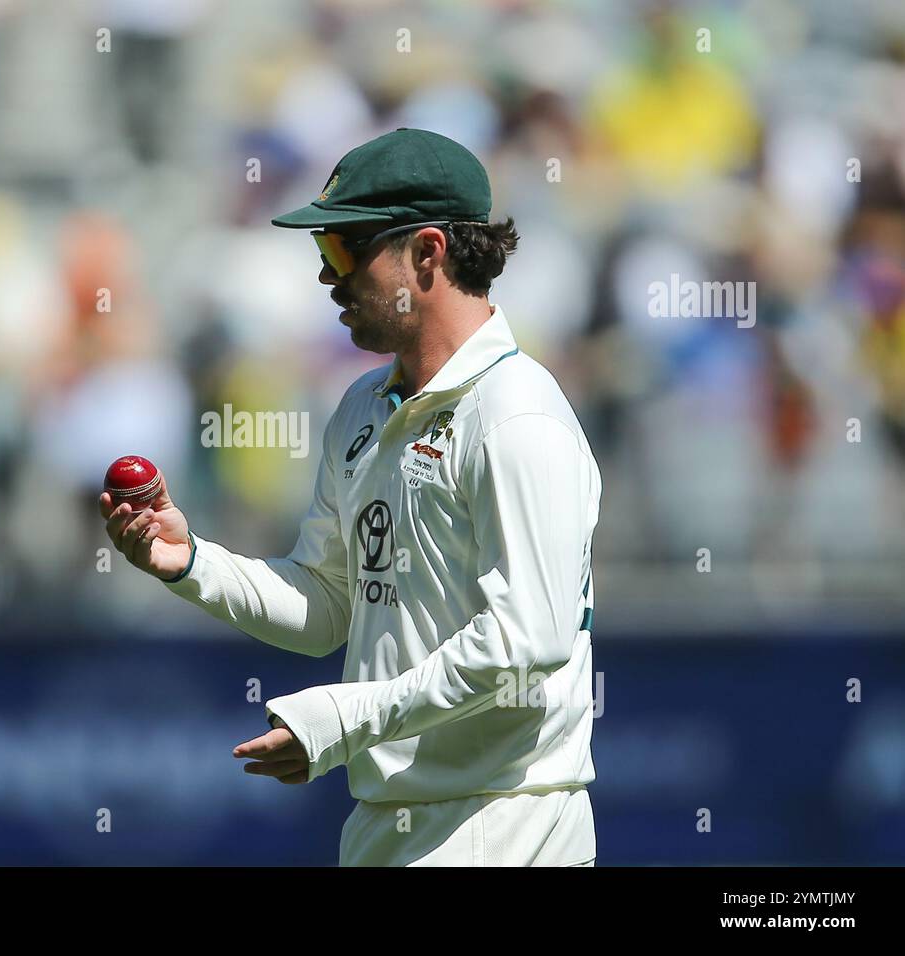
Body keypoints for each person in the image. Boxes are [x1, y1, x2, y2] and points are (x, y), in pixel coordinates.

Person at [99, 128, 602, 866]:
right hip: (388, 825)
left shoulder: (516, 414)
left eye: (343, 251)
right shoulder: (365, 406)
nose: (328, 279)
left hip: (507, 824)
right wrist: (192, 562)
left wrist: (345, 718)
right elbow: (330, 604)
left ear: (428, 253)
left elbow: (528, 643)